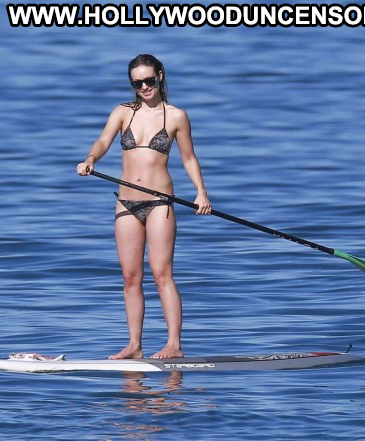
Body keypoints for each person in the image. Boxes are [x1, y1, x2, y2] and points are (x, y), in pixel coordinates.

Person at [77, 54, 212, 360]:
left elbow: (189, 158)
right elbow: (102, 141)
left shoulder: (176, 116)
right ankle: (134, 345)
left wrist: (201, 193)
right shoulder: (123, 112)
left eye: (149, 81)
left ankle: (174, 344)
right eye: (137, 84)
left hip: (160, 204)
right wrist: (90, 159)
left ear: (160, 76)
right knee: (130, 277)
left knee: (162, 274)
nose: (144, 87)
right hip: (126, 203)